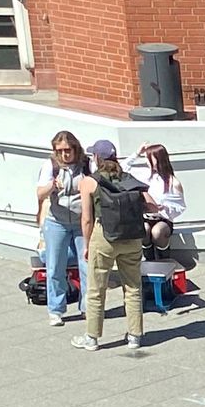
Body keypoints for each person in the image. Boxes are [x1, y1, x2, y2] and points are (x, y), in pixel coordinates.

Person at [72, 139, 148, 350]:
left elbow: (86, 219)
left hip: (104, 235)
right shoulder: (128, 177)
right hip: (132, 237)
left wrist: (87, 245)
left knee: (96, 288)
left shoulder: (89, 181)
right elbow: (150, 204)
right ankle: (135, 336)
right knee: (133, 288)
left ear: (96, 158)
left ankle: (92, 338)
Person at [36, 130, 90, 326]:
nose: (65, 154)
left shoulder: (86, 164)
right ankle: (56, 310)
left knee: (87, 266)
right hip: (56, 222)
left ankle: (87, 308)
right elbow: (40, 194)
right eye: (60, 151)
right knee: (55, 267)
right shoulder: (50, 165)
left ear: (75, 148)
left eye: (68, 150)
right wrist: (52, 186)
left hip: (81, 222)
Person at [133, 143, 185, 249]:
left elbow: (180, 207)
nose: (147, 162)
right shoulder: (145, 175)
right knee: (144, 230)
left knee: (157, 232)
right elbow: (123, 168)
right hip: (146, 217)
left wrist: (164, 208)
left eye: (149, 159)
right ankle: (149, 256)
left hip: (163, 219)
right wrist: (137, 153)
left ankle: (163, 257)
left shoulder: (173, 182)